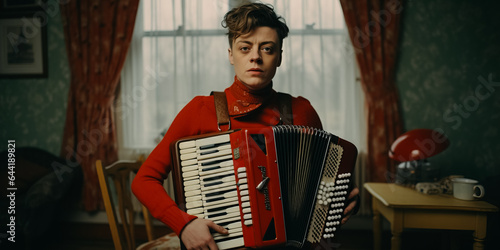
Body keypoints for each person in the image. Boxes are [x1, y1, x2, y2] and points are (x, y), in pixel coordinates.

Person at [132, 3, 360, 249]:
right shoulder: (200, 110)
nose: (256, 57)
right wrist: (184, 224)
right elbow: (144, 180)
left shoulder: (301, 111)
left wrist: (343, 202)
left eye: (268, 49)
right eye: (245, 48)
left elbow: (322, 187)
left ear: (279, 57)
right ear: (231, 54)